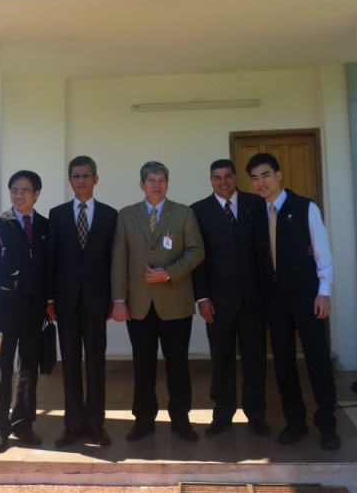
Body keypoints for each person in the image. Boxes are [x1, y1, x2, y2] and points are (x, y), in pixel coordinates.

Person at [246, 152, 341, 451]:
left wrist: (324, 292)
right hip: (274, 299)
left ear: (278, 175)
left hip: (306, 296)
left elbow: (322, 252)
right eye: (255, 178)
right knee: (283, 362)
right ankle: (295, 421)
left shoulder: (305, 207)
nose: (261, 182)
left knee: (317, 360)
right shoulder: (256, 213)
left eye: (265, 175)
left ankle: (327, 425)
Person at [111, 161, 205, 442]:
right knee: (143, 365)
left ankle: (181, 420)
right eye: (151, 180)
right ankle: (143, 420)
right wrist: (119, 299)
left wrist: (169, 273)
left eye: (161, 180)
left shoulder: (184, 213)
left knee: (178, 364)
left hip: (175, 302)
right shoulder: (126, 215)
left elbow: (196, 251)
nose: (157, 185)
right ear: (142, 184)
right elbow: (119, 260)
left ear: (167, 183)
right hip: (139, 304)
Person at [191, 159, 269, 437]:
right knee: (221, 359)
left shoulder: (255, 204)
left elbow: (265, 247)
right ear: (210, 180)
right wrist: (202, 298)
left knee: (255, 359)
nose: (223, 182)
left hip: (253, 298)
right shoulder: (198, 211)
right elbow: (197, 258)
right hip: (218, 301)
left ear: (235, 178)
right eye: (217, 177)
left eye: (227, 176)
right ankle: (222, 414)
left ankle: (256, 414)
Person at [47, 156, 117, 447]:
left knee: (96, 363)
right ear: (69, 180)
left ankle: (96, 424)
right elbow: (51, 259)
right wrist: (50, 298)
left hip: (97, 301)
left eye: (86, 175)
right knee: (70, 363)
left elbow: (114, 261)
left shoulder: (110, 215)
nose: (81, 180)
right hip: (65, 302)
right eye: (75, 176)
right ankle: (73, 424)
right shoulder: (57, 214)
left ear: (96, 179)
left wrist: (115, 298)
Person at [0, 170, 48, 454]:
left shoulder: (45, 225)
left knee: (29, 366)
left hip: (34, 306)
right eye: (14, 191)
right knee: (2, 367)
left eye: (25, 191)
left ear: (36, 194)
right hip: (4, 305)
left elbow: (48, 267)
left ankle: (23, 424)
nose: (18, 196)